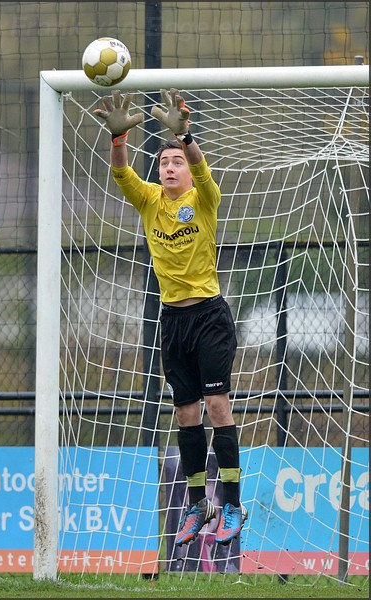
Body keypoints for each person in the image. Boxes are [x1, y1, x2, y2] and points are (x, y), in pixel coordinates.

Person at [94, 88, 247, 546]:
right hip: (172, 321)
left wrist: (187, 137)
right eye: (163, 163)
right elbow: (121, 172)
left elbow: (200, 166)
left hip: (209, 317)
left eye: (175, 161)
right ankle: (198, 505)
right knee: (185, 414)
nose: (169, 167)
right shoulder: (149, 201)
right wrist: (120, 137)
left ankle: (234, 505)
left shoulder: (204, 198)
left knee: (217, 406)